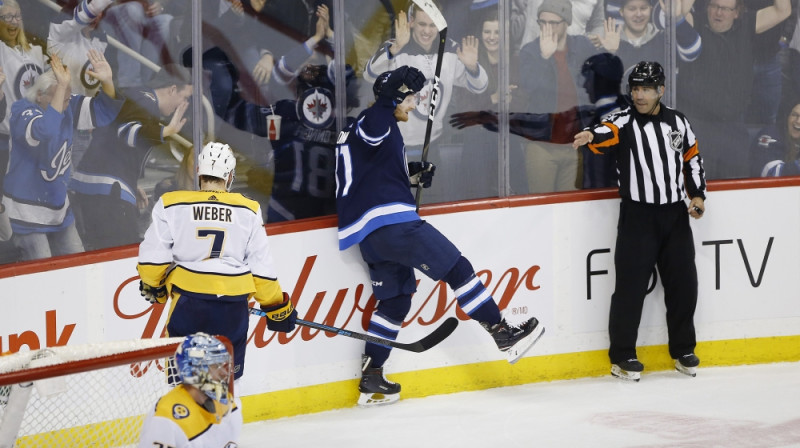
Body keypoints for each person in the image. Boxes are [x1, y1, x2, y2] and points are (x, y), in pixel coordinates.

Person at [335, 66, 544, 406]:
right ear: (394, 98)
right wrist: (390, 94)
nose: (414, 105)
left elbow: (371, 168)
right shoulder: (377, 119)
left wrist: (410, 173)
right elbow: (377, 128)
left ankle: (373, 375)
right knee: (457, 268)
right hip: (393, 224)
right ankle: (501, 332)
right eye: (410, 98)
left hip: (370, 234)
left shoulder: (359, 127)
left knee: (395, 301)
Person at [572, 61, 706, 381]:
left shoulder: (678, 121)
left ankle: (683, 349)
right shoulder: (624, 119)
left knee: (684, 285)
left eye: (646, 88)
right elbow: (606, 132)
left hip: (675, 216)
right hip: (638, 216)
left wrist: (698, 195)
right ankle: (622, 356)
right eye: (635, 88)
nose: (639, 94)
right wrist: (591, 133)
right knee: (630, 289)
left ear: (661, 90)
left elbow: (692, 157)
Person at [137, 141, 297, 381]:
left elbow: (152, 262)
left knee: (185, 387)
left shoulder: (171, 204)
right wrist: (277, 308)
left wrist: (155, 285)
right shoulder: (249, 210)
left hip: (188, 305)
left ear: (199, 172)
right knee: (229, 386)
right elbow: (261, 271)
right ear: (230, 175)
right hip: (232, 309)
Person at [2, 52, 122, 261]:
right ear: (40, 95)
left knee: (79, 265)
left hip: (59, 210)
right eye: (61, 98)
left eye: (67, 98)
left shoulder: (66, 104)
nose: (66, 104)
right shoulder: (22, 111)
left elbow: (103, 112)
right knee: (42, 275)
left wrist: (108, 82)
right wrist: (62, 90)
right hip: (26, 214)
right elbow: (45, 130)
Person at [70, 65, 192, 251]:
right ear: (172, 89)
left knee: (104, 253)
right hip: (107, 190)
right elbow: (128, 133)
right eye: (184, 98)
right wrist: (166, 131)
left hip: (96, 185)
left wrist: (130, 183)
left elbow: (114, 139)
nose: (184, 104)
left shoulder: (138, 95)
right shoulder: (148, 102)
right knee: (123, 251)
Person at [676, 0, 790, 179]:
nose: (718, 13)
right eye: (714, 6)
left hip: (733, 127)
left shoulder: (747, 24)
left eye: (725, 9)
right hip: (697, 125)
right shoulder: (695, 22)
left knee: (736, 187)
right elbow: (676, 13)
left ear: (737, 12)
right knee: (696, 187)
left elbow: (783, 10)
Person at [363, 1, 488, 159]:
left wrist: (472, 67)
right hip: (395, 145)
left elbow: (479, 87)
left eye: (432, 25)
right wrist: (396, 48)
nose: (427, 31)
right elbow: (369, 75)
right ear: (412, 22)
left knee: (433, 184)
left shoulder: (450, 49)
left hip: (432, 146)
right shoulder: (396, 48)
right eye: (422, 24)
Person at [518, 0, 598, 193]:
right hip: (542, 145)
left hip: (574, 143)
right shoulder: (530, 51)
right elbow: (529, 86)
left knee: (570, 209)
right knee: (541, 208)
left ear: (567, 22)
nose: (547, 28)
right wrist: (544, 59)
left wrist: (612, 51)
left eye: (553, 23)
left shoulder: (583, 46)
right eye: (542, 22)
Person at [137, 332, 242, 448]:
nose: (224, 373)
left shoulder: (228, 403)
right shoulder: (167, 418)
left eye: (223, 365)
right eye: (215, 367)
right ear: (193, 371)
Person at [578, 52, 627, 188]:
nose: (585, 86)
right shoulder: (635, 114)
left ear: (597, 81)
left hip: (608, 203)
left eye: (588, 79)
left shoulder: (587, 119)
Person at [101, 0, 173, 90]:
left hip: (144, 16)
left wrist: (159, 5)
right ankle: (129, 84)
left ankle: (143, 85)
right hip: (109, 16)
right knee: (133, 9)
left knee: (166, 21)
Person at [756, 100, 800, 176]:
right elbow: (770, 172)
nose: (798, 121)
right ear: (787, 117)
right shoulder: (770, 134)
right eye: (794, 115)